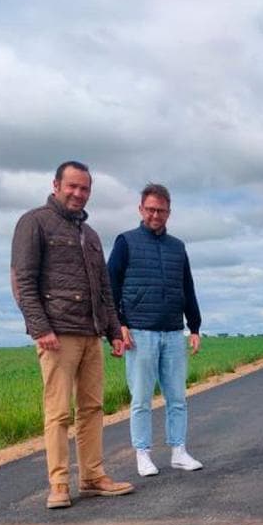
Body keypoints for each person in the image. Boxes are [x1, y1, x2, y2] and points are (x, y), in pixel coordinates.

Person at [10, 160, 135, 509]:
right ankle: (60, 484)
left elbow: (104, 290)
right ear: (56, 185)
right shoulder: (34, 222)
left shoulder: (91, 235)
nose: (79, 194)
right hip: (57, 334)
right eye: (73, 187)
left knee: (93, 408)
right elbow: (22, 280)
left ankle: (93, 478)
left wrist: (113, 332)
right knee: (59, 412)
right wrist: (40, 328)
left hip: (90, 333)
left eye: (85, 189)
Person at [108, 183, 204, 476]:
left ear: (168, 213)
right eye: (150, 209)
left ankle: (178, 451)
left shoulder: (178, 247)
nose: (155, 215)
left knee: (177, 397)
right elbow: (110, 285)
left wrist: (195, 326)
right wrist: (118, 325)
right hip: (140, 333)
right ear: (141, 209)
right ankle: (143, 454)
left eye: (161, 210)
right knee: (141, 399)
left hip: (173, 332)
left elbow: (187, 287)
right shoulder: (126, 241)